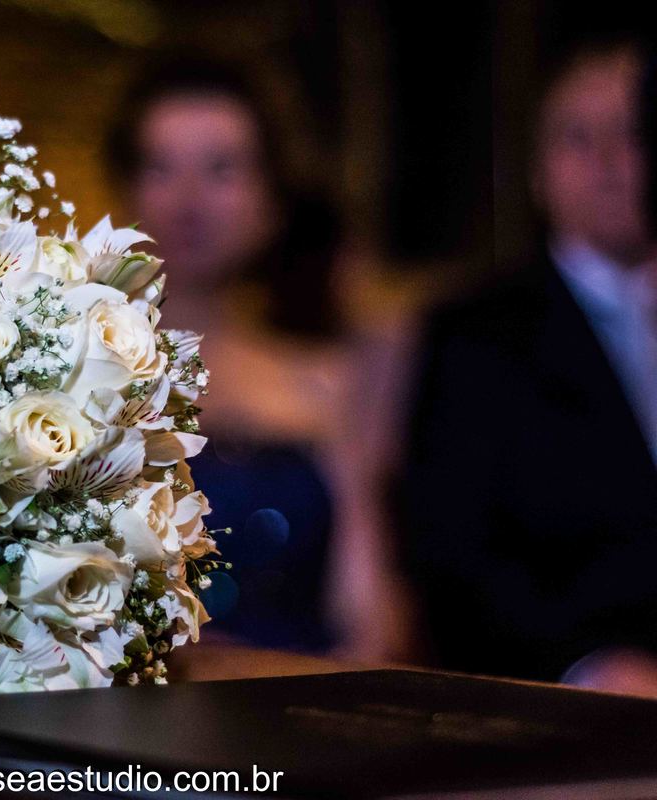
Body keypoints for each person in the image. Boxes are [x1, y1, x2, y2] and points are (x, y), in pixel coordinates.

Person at [396, 36, 657, 688]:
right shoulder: (477, 337)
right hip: (575, 699)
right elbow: (453, 556)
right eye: (578, 136)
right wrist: (587, 668)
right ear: (538, 172)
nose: (608, 160)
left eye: (632, 132)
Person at [106, 57, 343, 652]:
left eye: (221, 169)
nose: (189, 201)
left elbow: (365, 604)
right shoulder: (74, 362)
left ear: (272, 195)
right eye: (161, 166)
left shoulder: (329, 376)